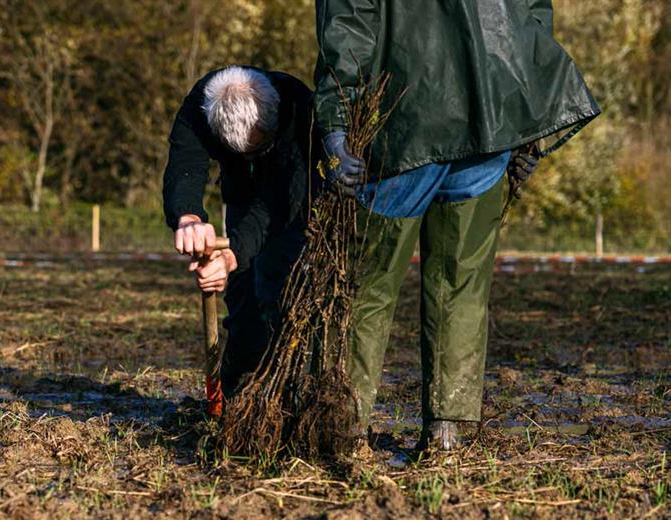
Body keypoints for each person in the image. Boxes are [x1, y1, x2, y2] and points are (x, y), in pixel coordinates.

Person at [314, 0, 600, 450]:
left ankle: (344, 431)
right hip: (487, 119)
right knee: (461, 281)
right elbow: (533, 17)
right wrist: (524, 120)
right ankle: (449, 431)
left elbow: (347, 25)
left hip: (400, 123)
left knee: (365, 287)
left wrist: (334, 123)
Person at [163, 66, 318, 401]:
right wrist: (188, 218)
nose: (252, 157)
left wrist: (232, 254)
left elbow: (278, 202)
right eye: (243, 153)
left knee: (278, 293)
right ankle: (235, 399)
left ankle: (287, 396)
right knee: (243, 304)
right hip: (241, 198)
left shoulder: (299, 110)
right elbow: (185, 163)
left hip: (292, 202)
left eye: (257, 149)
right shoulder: (200, 107)